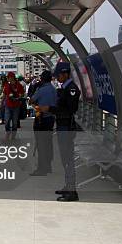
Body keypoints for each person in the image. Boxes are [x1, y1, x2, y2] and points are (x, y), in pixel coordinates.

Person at [50, 62, 81, 202]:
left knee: (68, 159)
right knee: (64, 158)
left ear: (65, 74)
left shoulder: (71, 89)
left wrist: (50, 109)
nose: (57, 78)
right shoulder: (65, 88)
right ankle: (68, 186)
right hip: (62, 126)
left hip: (66, 127)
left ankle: (72, 191)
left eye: (59, 76)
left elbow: (70, 109)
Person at [29, 70, 56, 176]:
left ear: (43, 79)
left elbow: (32, 100)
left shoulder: (41, 89)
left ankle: (41, 169)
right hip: (50, 119)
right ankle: (48, 166)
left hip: (41, 119)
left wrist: (35, 87)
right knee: (48, 143)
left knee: (41, 144)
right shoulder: (53, 89)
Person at [3, 72, 24, 140]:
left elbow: (22, 93)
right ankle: (8, 132)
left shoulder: (19, 85)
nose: (7, 78)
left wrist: (19, 96)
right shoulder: (6, 85)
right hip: (8, 105)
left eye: (8, 77)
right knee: (7, 121)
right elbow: (4, 94)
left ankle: (13, 135)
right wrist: (2, 101)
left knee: (15, 122)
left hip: (16, 106)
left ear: (12, 77)